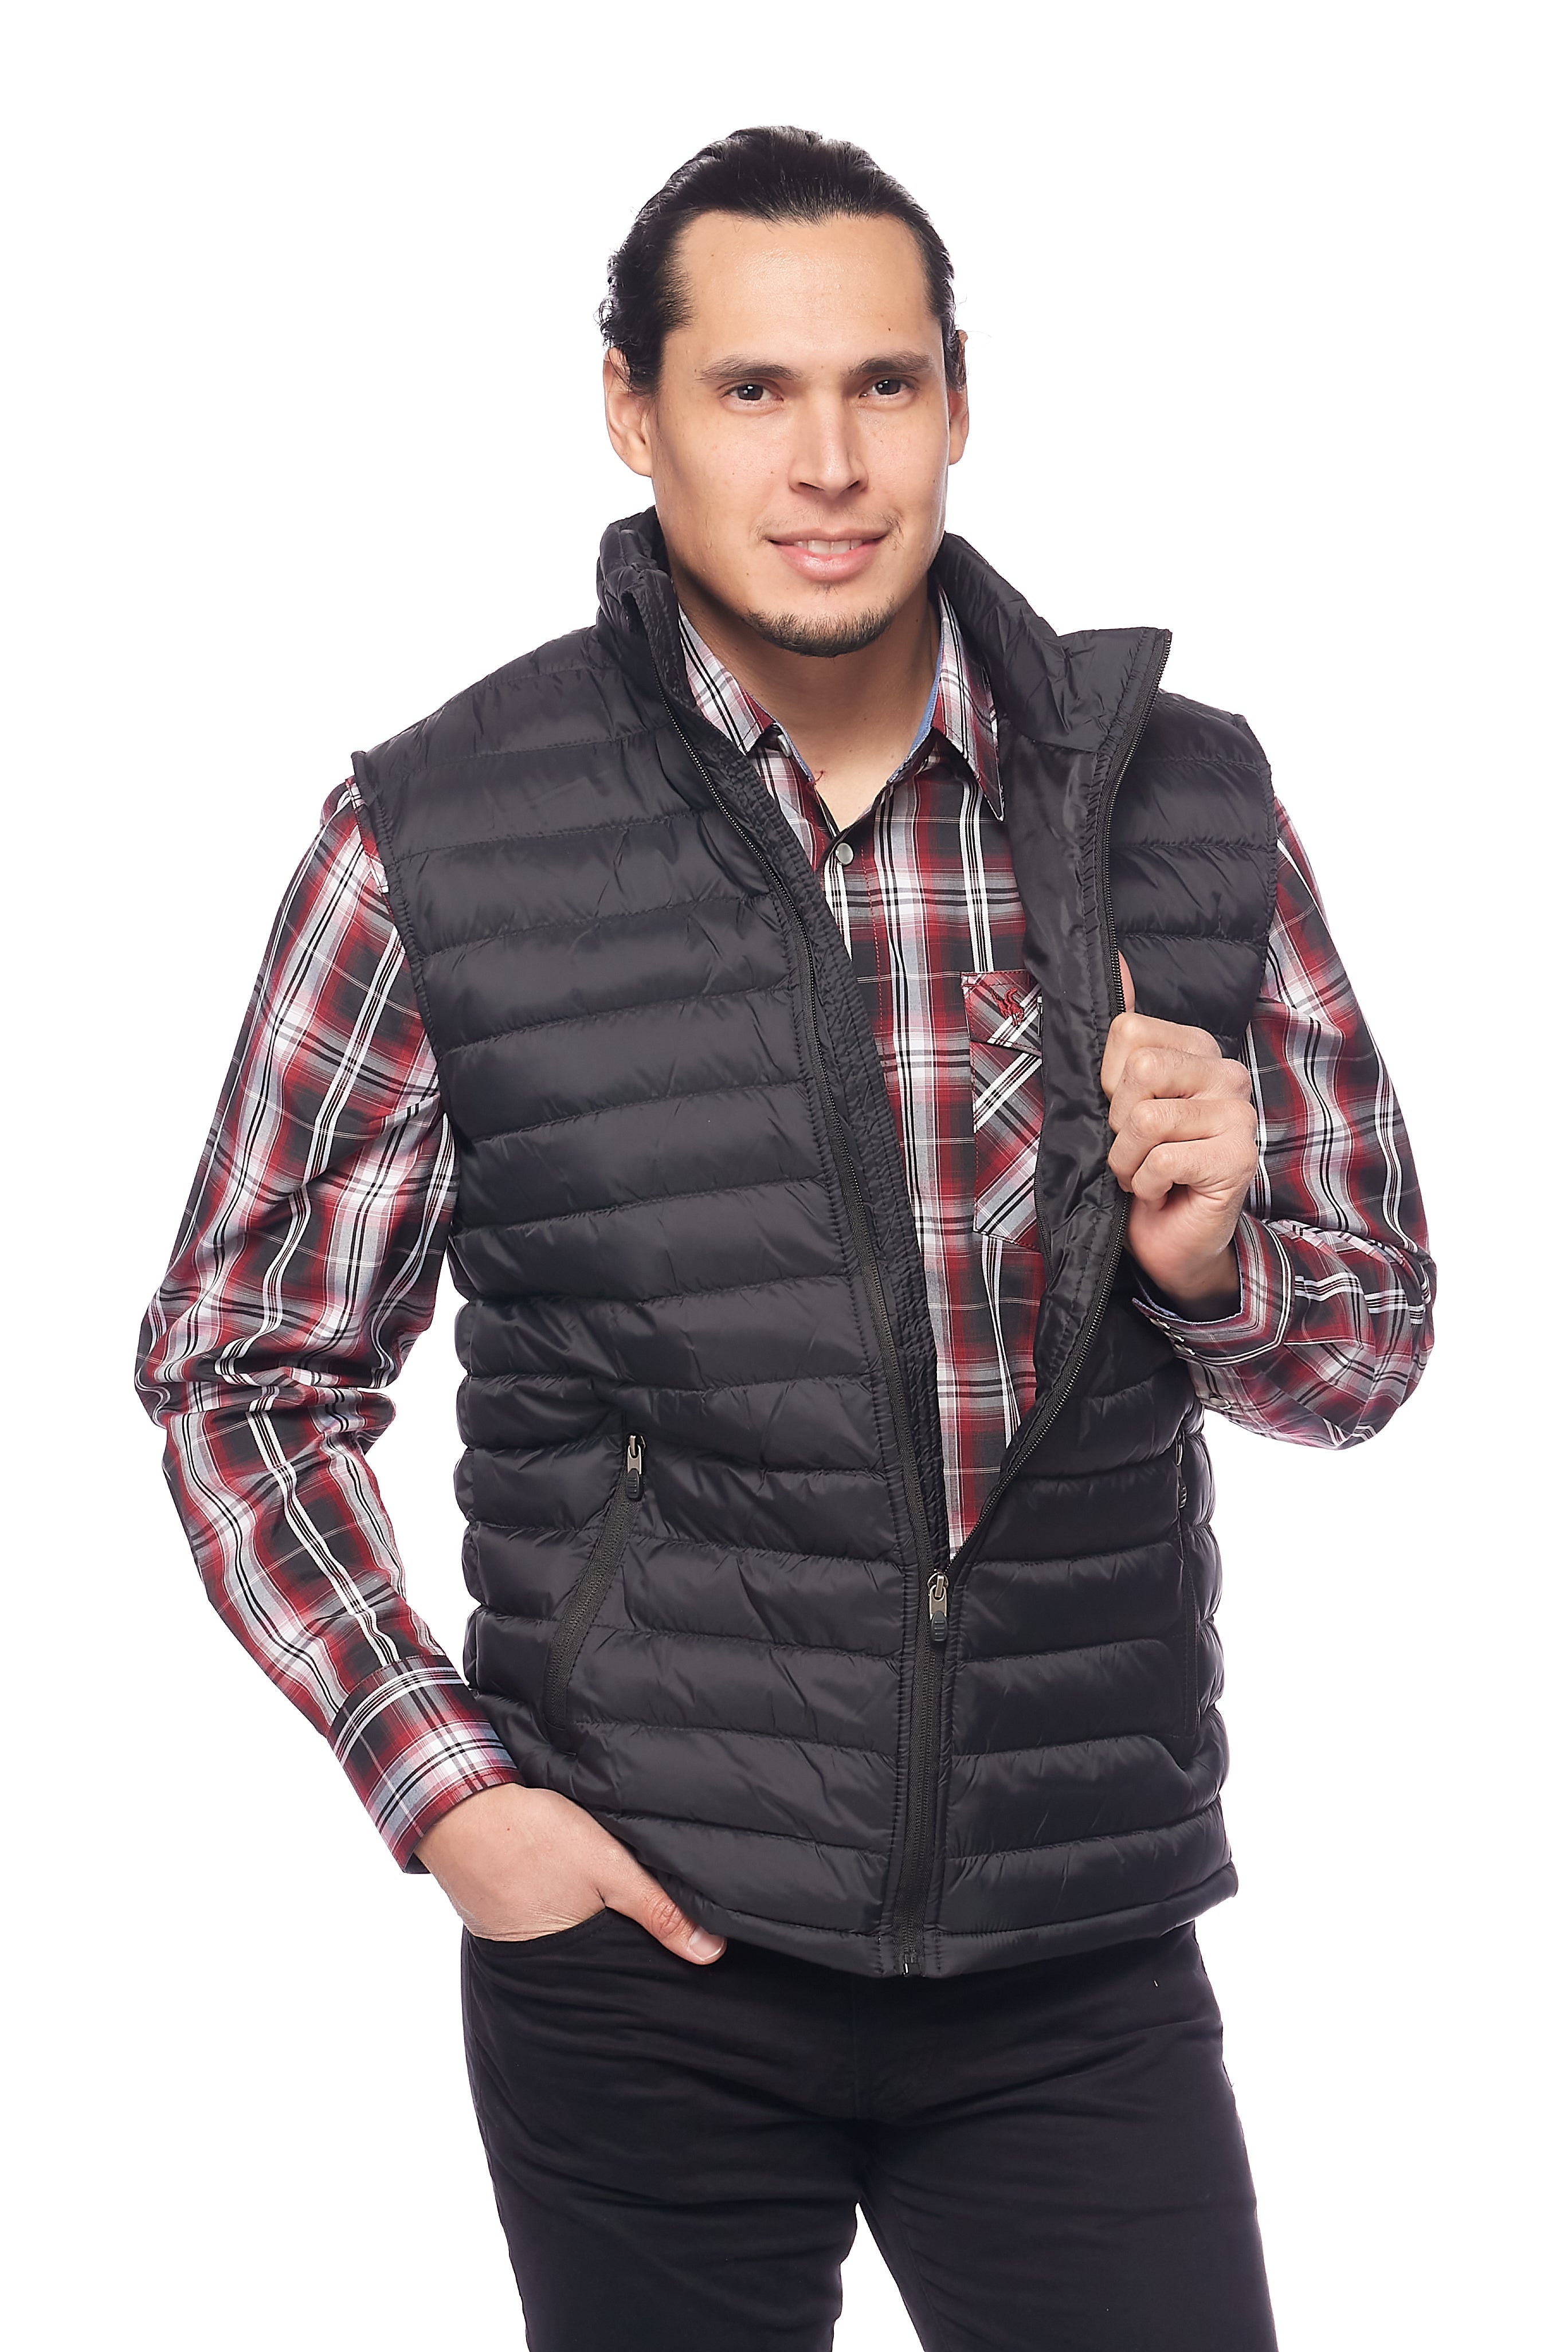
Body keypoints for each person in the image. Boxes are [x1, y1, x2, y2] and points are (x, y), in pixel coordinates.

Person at [137, 126, 1434, 2351]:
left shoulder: (1183, 800)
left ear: (957, 403)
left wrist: (1225, 1267)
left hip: (1073, 1941)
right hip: (643, 1941)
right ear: (632, 411)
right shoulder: (444, 834)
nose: (827, 461)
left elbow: (1370, 1350)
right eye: (752, 389)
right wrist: (450, 1799)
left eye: (882, 385)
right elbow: (242, 1365)